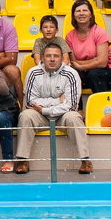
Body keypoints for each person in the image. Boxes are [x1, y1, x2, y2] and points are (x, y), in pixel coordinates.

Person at [15, 41, 91, 175]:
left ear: (62, 58)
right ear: (42, 58)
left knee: (74, 117)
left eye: (55, 56)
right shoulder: (33, 73)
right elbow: (31, 101)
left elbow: (71, 105)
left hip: (62, 116)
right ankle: (22, 160)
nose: (52, 59)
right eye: (48, 56)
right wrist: (58, 100)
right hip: (40, 116)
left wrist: (45, 108)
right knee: (26, 115)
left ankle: (85, 160)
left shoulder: (71, 74)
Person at [66, 0, 111, 93]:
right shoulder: (69, 36)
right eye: (78, 11)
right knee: (73, 74)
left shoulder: (99, 32)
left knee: (94, 73)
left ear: (90, 15)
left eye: (85, 10)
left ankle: (101, 106)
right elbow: (74, 62)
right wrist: (95, 60)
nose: (81, 13)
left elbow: (102, 63)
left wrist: (82, 66)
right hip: (88, 75)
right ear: (73, 15)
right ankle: (77, 108)